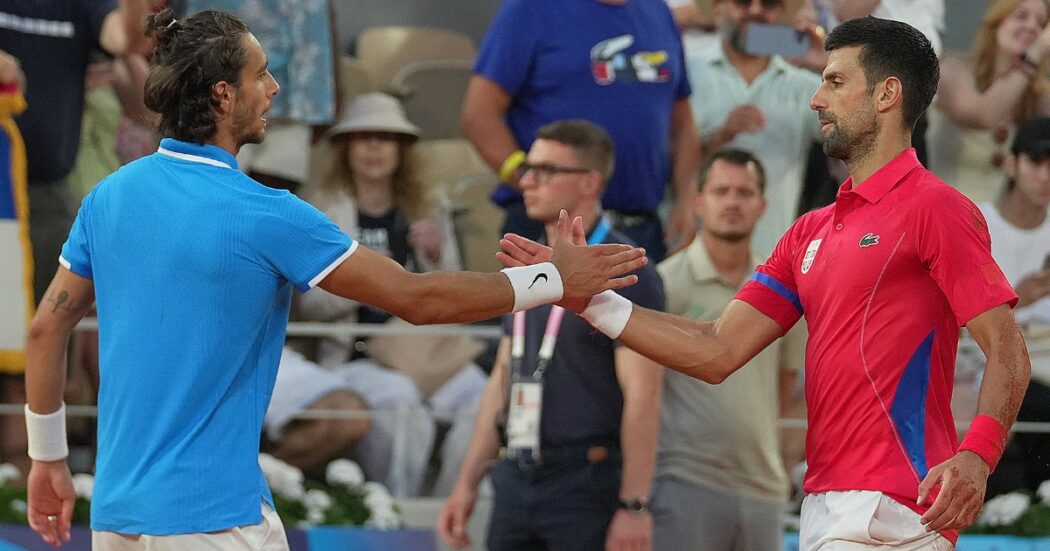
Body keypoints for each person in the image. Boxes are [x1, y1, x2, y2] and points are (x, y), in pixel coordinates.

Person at [22, 9, 648, 549]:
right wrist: (552, 280)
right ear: (220, 97)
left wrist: (47, 457)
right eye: (259, 74)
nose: (273, 87)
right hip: (214, 522)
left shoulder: (109, 195)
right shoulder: (267, 212)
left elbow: (48, 326)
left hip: (117, 520)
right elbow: (416, 298)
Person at [499, 17, 1031, 548]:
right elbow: (716, 349)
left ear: (887, 94)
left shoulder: (937, 208)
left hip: (894, 507)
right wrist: (593, 302)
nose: (816, 99)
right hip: (824, 504)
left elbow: (1007, 346)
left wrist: (977, 455)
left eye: (835, 81)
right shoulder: (808, 231)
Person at [438, 120, 665, 551]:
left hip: (587, 483)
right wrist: (466, 483)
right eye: (527, 168)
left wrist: (634, 505)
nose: (527, 180)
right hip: (516, 476)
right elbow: (504, 377)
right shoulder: (525, 263)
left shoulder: (623, 268)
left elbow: (644, 395)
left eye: (545, 170)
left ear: (589, 182)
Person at [462, 0, 702, 261]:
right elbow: (479, 115)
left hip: (641, 228)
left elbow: (683, 125)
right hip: (552, 227)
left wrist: (685, 201)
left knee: (646, 301)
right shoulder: (530, 9)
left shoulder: (658, 11)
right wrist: (527, 177)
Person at [652, 148, 804, 551]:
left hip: (764, 486)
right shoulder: (665, 283)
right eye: (721, 191)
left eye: (745, 192)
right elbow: (643, 389)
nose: (733, 202)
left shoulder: (783, 287)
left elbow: (784, 383)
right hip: (684, 480)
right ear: (698, 202)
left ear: (762, 205)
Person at [687, 0, 824, 256]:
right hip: (694, 254)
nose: (756, 10)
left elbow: (858, 135)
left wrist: (827, 65)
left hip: (773, 256)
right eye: (743, 2)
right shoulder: (688, 73)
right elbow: (662, 164)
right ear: (718, 10)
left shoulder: (807, 86)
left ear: (781, 15)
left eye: (769, 4)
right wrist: (718, 138)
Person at [977, 115, 1050, 497]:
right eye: (1037, 162)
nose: (1045, 176)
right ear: (1011, 163)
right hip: (983, 365)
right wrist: (1019, 299)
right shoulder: (977, 225)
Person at [928, 0, 1050, 204]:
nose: (1031, 27)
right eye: (1021, 16)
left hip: (999, 228)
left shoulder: (1037, 96)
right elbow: (983, 117)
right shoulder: (952, 71)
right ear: (995, 23)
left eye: (1041, 23)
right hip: (944, 216)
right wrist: (1034, 57)